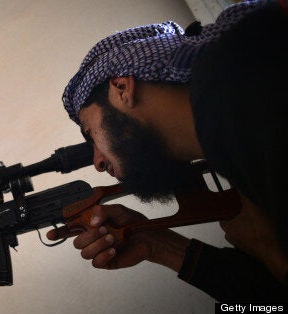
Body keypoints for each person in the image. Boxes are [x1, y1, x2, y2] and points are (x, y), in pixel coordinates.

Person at [60, 0, 287, 302]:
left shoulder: (255, 98)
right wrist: (157, 246)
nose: (98, 162)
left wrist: (272, 256)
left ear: (122, 89)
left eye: (91, 134)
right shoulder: (230, 135)